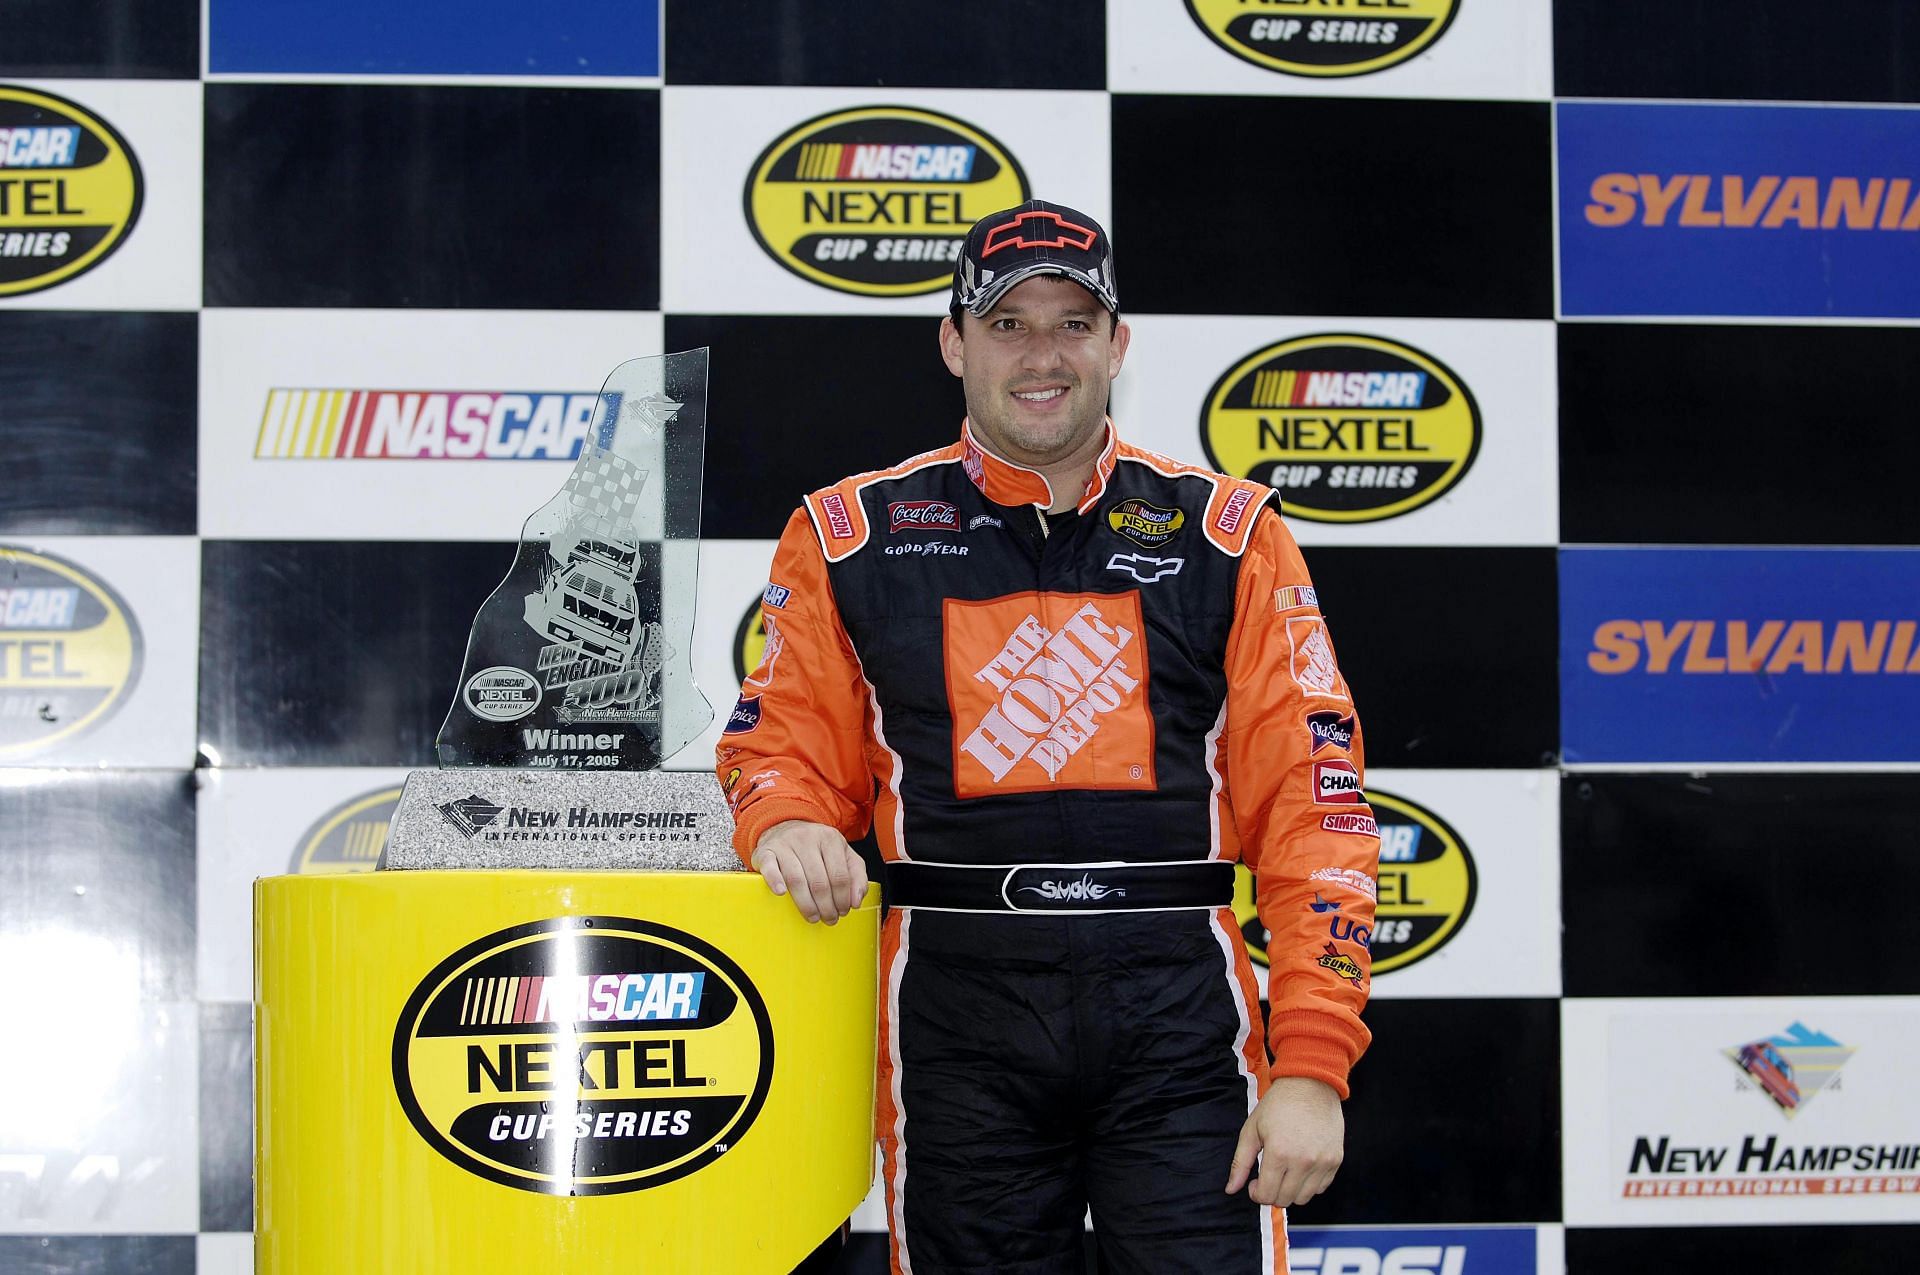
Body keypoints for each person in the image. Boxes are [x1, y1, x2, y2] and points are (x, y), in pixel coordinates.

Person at [717, 199, 1378, 1274]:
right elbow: (777, 747)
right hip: (955, 1003)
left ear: (1117, 344)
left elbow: (1318, 811)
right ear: (953, 342)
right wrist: (785, 819)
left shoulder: (1230, 532)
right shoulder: (850, 534)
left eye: (1073, 324)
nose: (1042, 354)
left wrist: (1309, 1065)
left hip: (1180, 1010)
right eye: (1009, 322)